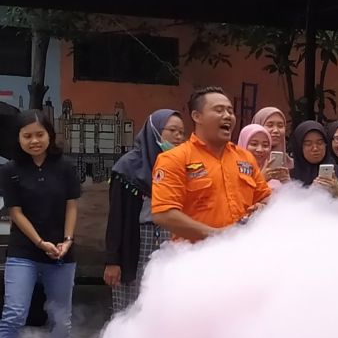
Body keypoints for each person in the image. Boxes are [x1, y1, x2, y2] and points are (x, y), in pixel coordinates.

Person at [0, 110, 81, 338]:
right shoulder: (10, 170)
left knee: (61, 319)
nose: (34, 141)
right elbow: (15, 212)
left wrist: (67, 240)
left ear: (50, 135)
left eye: (39, 134)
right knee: (13, 314)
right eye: (27, 136)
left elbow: (71, 206)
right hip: (24, 251)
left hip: (61, 252)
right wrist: (39, 242)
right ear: (19, 138)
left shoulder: (66, 167)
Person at [151, 87, 271, 241]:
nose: (228, 116)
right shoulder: (174, 159)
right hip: (194, 257)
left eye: (230, 111)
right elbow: (163, 214)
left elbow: (266, 198)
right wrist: (217, 236)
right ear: (197, 116)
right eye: (219, 110)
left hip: (243, 253)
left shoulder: (245, 158)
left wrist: (263, 207)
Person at [104, 109, 186, 311]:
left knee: (163, 303)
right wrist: (112, 261)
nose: (178, 137)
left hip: (171, 238)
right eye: (172, 130)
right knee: (130, 307)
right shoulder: (127, 168)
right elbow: (116, 218)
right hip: (137, 241)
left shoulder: (182, 165)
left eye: (182, 132)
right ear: (155, 131)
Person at [287, 121, 338, 199]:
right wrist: (311, 191)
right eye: (308, 144)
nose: (315, 148)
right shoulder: (289, 176)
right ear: (299, 147)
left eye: (320, 143)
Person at [239, 123, 290, 187]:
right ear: (243, 143)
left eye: (265, 145)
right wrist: (261, 179)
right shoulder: (233, 170)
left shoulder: (270, 173)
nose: (260, 150)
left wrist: (287, 183)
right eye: (254, 144)